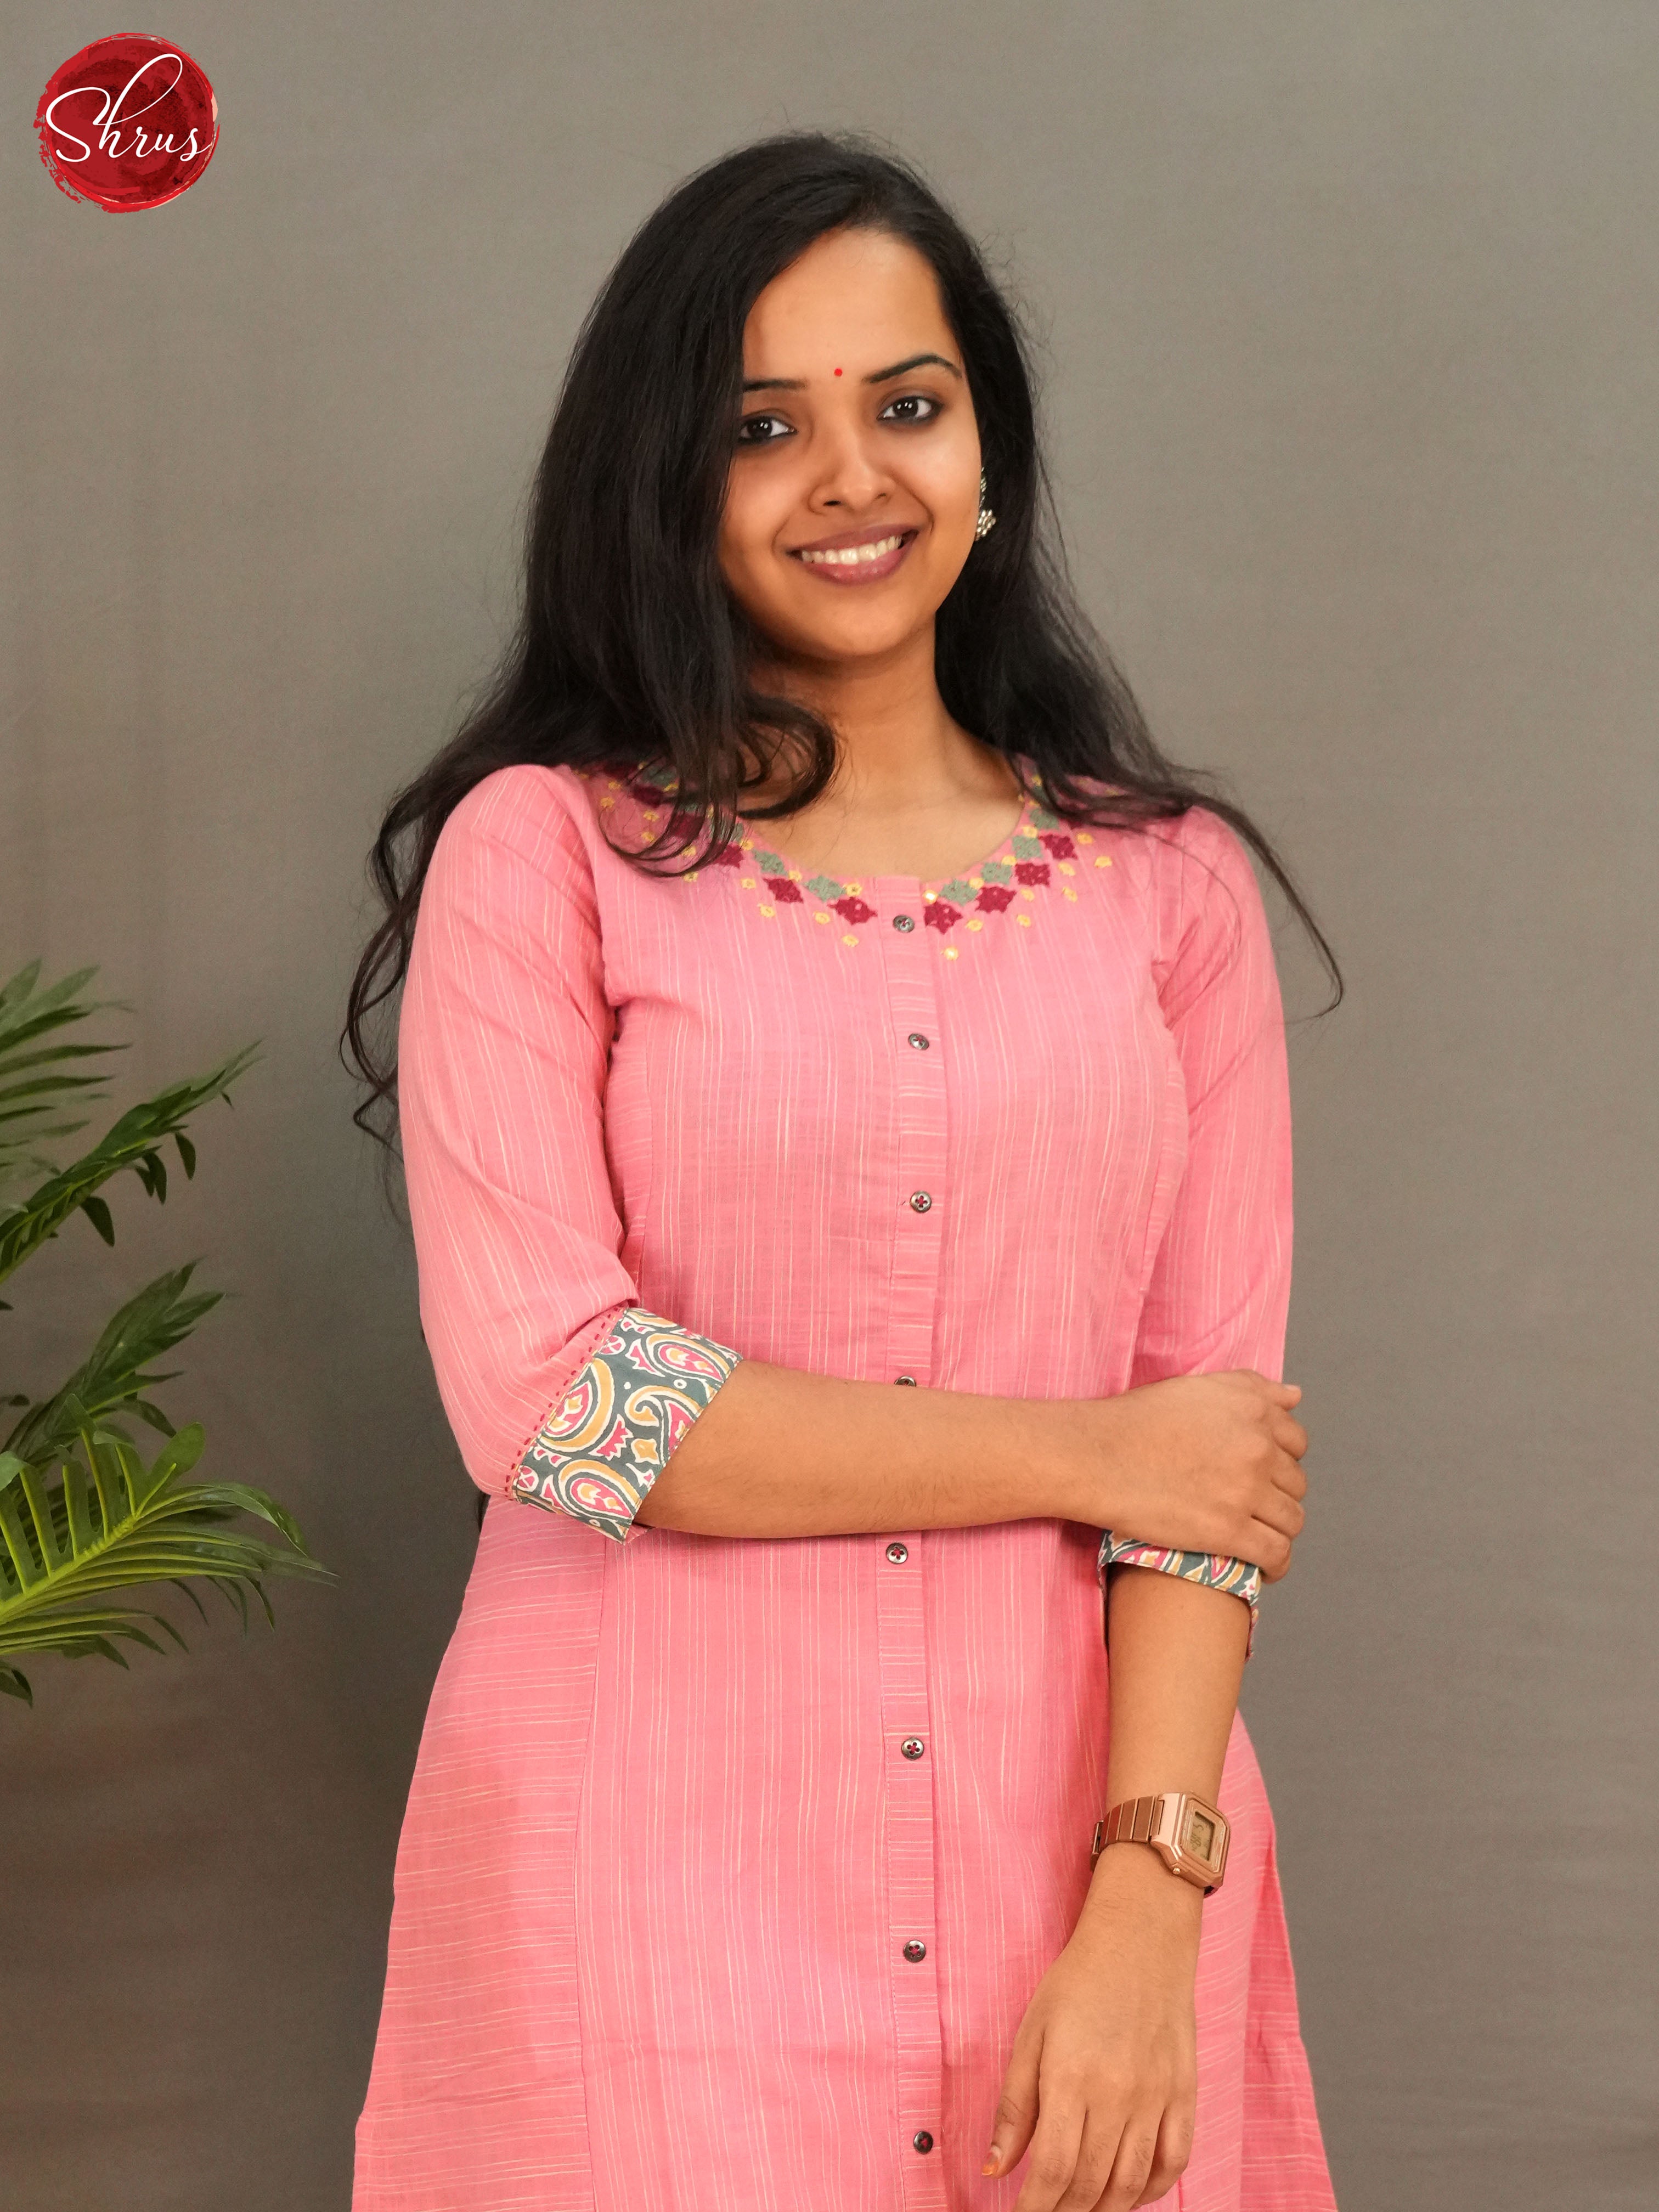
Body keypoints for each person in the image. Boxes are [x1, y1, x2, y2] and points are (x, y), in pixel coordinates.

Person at [344, 132, 1339, 2212]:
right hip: (642, 1880)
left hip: (1076, 1858)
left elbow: (1215, 1475)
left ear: (990, 452)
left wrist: (1148, 1907)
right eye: (762, 428)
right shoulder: (548, 860)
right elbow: (565, 1408)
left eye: (908, 404)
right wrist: (1095, 1451)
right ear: (665, 484)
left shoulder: (1173, 895)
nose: (851, 478)